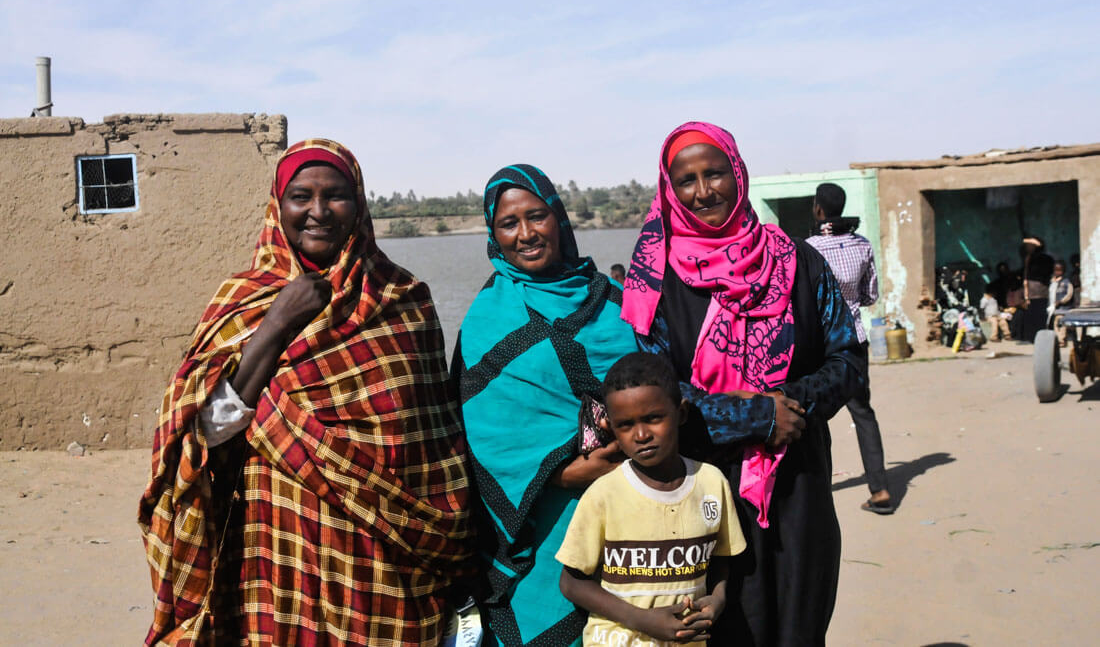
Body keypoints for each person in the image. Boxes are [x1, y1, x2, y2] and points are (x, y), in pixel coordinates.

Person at [138, 139, 473, 646]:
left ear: (358, 206)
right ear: (279, 207)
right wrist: (279, 321)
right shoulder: (243, 300)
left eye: (335, 195)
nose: (318, 212)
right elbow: (203, 435)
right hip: (268, 541)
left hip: (379, 558)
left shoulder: (402, 300)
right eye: (301, 196)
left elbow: (431, 446)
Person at [622, 121, 866, 646]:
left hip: (798, 476)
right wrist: (755, 417)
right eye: (686, 180)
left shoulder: (800, 262)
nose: (704, 190)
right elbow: (656, 392)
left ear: (738, 174)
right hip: (703, 482)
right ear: (669, 190)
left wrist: (790, 406)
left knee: (801, 622)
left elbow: (848, 357)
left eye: (715, 174)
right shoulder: (655, 280)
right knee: (726, 628)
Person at [453, 164, 639, 645]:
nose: (526, 234)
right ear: (493, 234)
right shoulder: (486, 321)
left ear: (559, 217)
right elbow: (485, 433)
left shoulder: (617, 300)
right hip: (544, 523)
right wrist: (568, 470)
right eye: (508, 223)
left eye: (537, 216)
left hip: (635, 508)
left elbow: (658, 386)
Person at [556, 351, 745, 647]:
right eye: (626, 425)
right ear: (612, 427)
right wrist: (641, 619)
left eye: (653, 418)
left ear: (680, 414)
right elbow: (570, 582)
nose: (641, 434)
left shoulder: (711, 483)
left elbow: (722, 558)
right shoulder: (604, 494)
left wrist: (717, 599)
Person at [805, 183, 893, 515]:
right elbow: (870, 296)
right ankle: (881, 489)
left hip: (821, 346)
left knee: (815, 418)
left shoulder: (808, 248)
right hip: (855, 341)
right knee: (863, 414)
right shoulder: (863, 245)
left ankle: (818, 492)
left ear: (818, 210)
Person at [1012, 236, 1054, 343]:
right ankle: (1029, 337)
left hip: (1039, 292)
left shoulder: (1045, 259)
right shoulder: (1028, 258)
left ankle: (1038, 338)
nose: (1027, 248)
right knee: (1029, 315)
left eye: (1030, 246)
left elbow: (1044, 273)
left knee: (1038, 316)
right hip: (1029, 293)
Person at [1048, 260, 1075, 346]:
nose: (1057, 272)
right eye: (1056, 270)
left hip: (1064, 309)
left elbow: (1069, 294)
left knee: (1062, 324)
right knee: (1055, 324)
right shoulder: (1052, 282)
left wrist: (1060, 301)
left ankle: (1061, 340)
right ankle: (1059, 339)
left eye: (1059, 270)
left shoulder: (1066, 282)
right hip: (1055, 309)